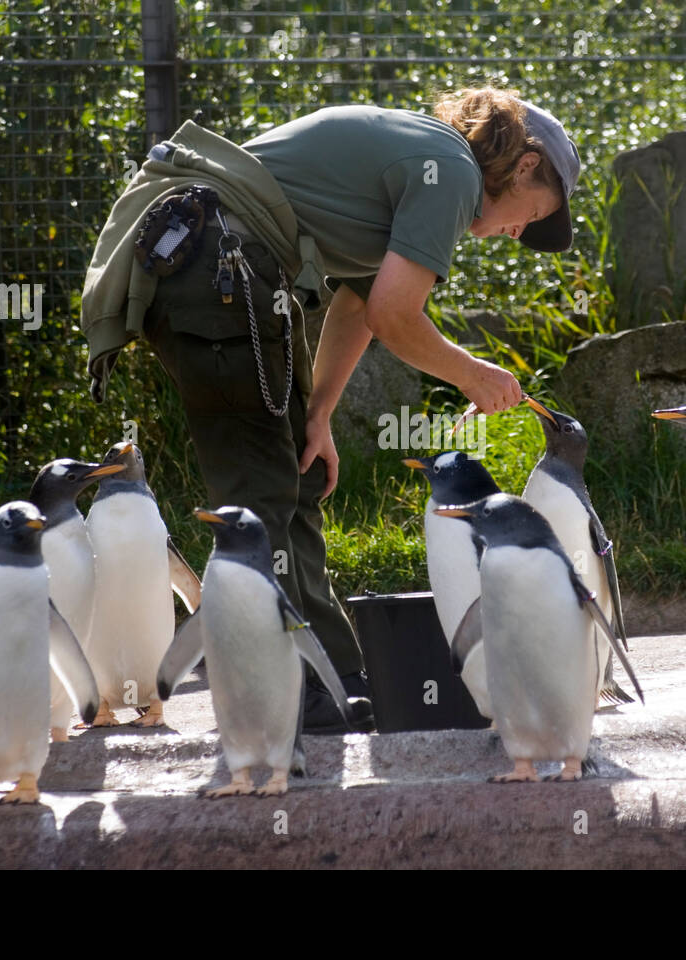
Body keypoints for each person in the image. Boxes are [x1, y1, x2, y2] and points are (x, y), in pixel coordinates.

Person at [81, 87, 581, 732]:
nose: (521, 233)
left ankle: (332, 679)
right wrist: (472, 375)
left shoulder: (427, 157)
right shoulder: (450, 169)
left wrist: (319, 415)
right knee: (258, 497)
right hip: (217, 265)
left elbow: (358, 305)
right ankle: (278, 689)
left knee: (299, 472)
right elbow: (396, 315)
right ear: (523, 165)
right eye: (535, 213)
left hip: (235, 274)